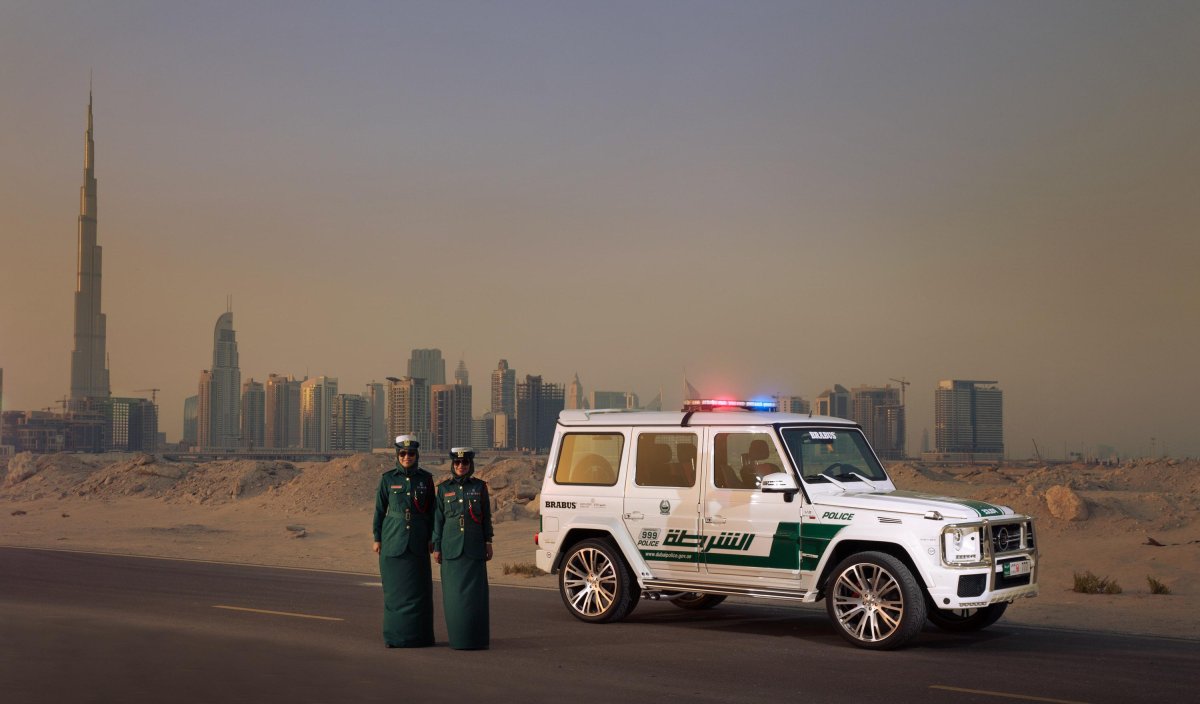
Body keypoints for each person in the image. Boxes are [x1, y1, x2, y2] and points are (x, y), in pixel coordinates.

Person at [372, 435, 435, 648]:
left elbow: (432, 511)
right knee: (395, 592)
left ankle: (420, 637)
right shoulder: (388, 479)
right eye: (403, 454)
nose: (407, 457)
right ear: (397, 456)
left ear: (417, 455)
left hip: (418, 541)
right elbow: (380, 511)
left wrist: (432, 538)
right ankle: (396, 637)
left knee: (419, 591)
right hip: (393, 539)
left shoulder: (426, 479)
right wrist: (377, 538)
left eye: (411, 454)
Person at [431, 447, 493, 650]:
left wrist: (488, 542)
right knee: (454, 598)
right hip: (451, 550)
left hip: (474, 549)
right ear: (452, 465)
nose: (460, 466)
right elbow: (438, 521)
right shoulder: (443, 489)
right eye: (457, 463)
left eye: (464, 463)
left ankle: (477, 639)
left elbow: (486, 518)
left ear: (470, 465)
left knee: (476, 598)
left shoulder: (480, 487)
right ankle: (458, 639)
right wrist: (437, 547)